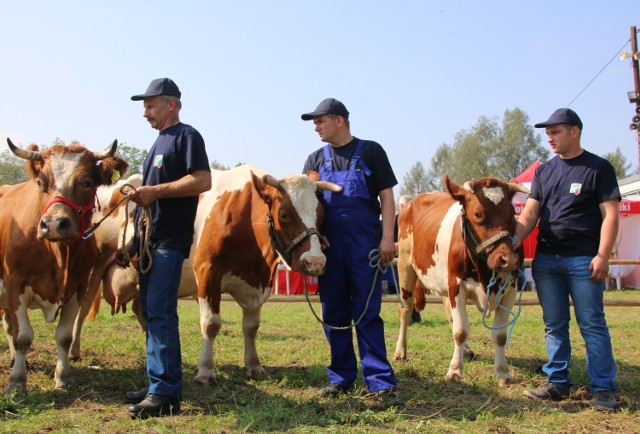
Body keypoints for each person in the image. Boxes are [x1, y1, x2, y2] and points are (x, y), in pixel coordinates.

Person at [117, 78, 211, 418]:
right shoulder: (157, 143)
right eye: (145, 106)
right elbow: (146, 201)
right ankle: (157, 381)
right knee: (150, 311)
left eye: (150, 105)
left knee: (160, 312)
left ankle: (165, 393)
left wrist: (155, 192)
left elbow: (203, 180)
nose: (145, 112)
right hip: (149, 240)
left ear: (171, 104)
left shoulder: (187, 136)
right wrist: (132, 242)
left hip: (170, 240)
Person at [514, 108, 619, 411]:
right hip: (547, 259)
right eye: (547, 133)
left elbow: (610, 214)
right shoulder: (544, 170)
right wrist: (512, 242)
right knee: (554, 324)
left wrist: (602, 254)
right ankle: (557, 382)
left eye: (556, 131)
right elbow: (531, 212)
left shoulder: (598, 168)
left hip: (583, 260)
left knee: (592, 324)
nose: (550, 137)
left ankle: (603, 388)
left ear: (575, 131)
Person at [301, 98, 398, 405]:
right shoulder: (315, 160)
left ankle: (379, 381)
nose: (316, 127)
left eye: (321, 121)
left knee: (367, 313)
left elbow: (387, 198)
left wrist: (388, 238)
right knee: (334, 312)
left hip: (365, 245)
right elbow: (307, 203)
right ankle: (341, 378)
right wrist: (316, 238)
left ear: (339, 121)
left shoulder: (371, 151)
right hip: (331, 249)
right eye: (314, 123)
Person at [395, 195, 421, 324]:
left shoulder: (418, 221)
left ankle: (415, 316)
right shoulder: (394, 221)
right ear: (401, 207)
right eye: (407, 205)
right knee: (403, 290)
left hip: (414, 259)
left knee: (414, 288)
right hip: (397, 260)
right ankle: (404, 318)